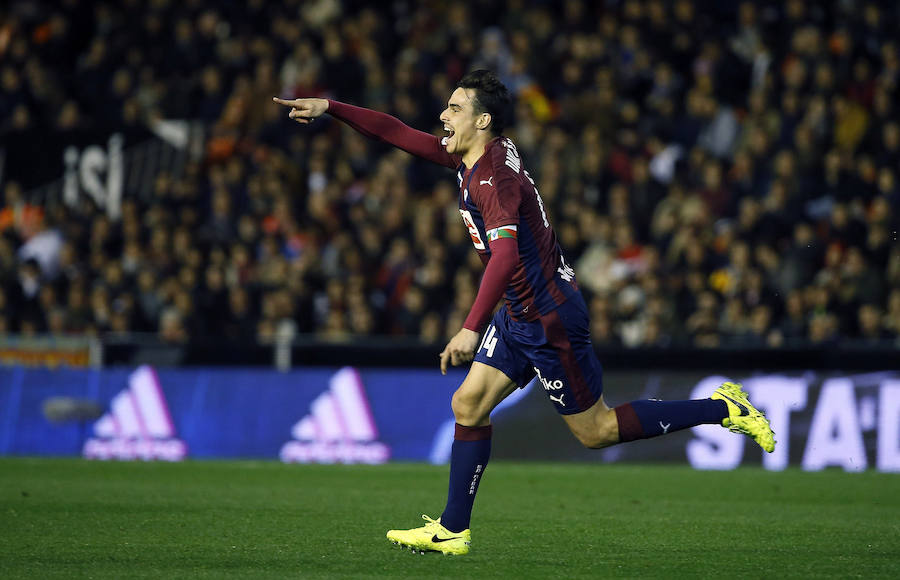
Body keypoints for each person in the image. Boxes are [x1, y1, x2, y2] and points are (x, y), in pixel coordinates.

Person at [273, 70, 775, 556]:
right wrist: (332, 109)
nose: (442, 116)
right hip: (520, 311)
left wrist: (470, 328)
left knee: (595, 432)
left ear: (483, 121)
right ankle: (452, 531)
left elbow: (507, 256)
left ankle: (724, 408)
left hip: (549, 318)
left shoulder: (493, 179)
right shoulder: (472, 155)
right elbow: (400, 134)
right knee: (468, 405)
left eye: (454, 108)